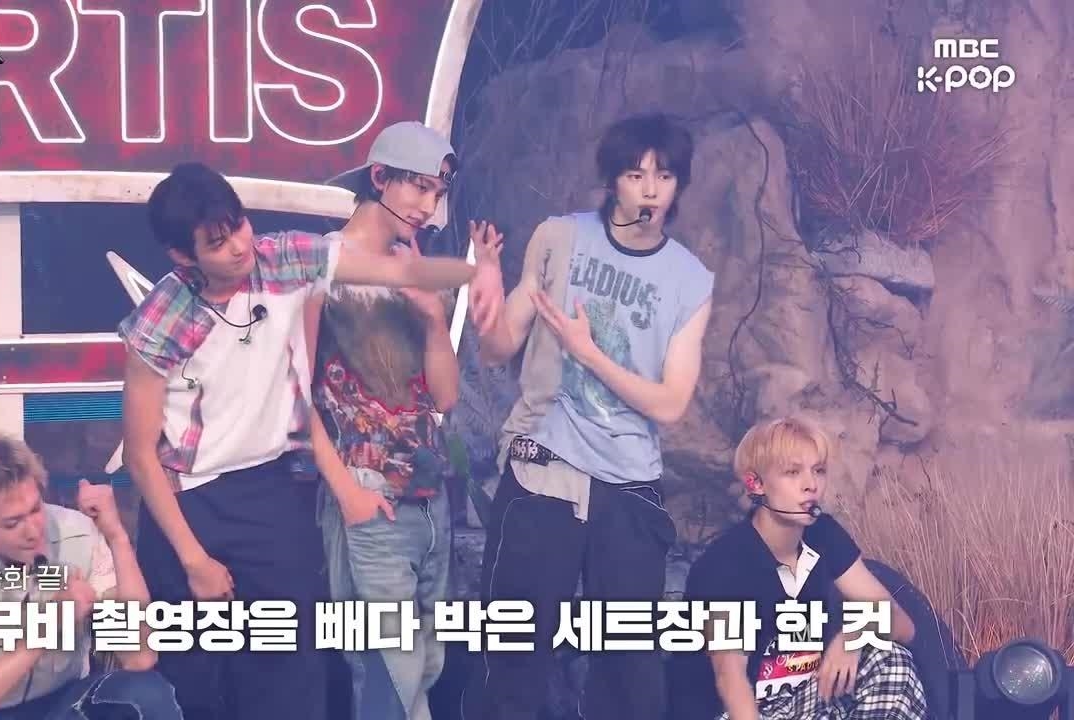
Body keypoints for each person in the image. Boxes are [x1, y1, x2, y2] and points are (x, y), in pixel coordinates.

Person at [118, 161, 503, 720]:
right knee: (194, 676)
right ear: (182, 256)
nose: (239, 247)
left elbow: (397, 272)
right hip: (187, 500)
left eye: (238, 225)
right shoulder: (163, 316)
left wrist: (480, 272)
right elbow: (139, 455)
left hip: (268, 488)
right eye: (216, 243)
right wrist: (193, 557)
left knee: (290, 665)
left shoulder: (285, 259)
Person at [460, 112, 715, 720]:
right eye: (635, 174)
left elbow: (671, 403)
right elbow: (499, 348)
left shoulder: (690, 279)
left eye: (664, 177)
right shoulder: (560, 237)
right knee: (513, 653)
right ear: (612, 179)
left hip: (628, 483)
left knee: (629, 671)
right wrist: (486, 289)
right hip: (543, 465)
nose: (650, 190)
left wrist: (589, 353)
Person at [307, 121, 502, 720]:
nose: (428, 206)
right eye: (418, 187)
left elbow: (444, 396)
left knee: (423, 668)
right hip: (367, 494)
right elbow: (294, 393)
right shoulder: (321, 264)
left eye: (437, 193)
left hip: (428, 496)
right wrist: (347, 494)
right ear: (379, 177)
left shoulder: (415, 268)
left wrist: (432, 318)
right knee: (386, 673)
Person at [0, 431, 180, 720]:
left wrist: (117, 537)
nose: (33, 531)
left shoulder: (76, 534)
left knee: (146, 693)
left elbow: (140, 658)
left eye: (35, 509)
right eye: (13, 523)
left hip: (57, 702)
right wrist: (49, 626)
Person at [670, 416, 929, 720]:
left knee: (889, 657)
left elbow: (902, 623)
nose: (811, 485)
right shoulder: (724, 564)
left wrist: (853, 636)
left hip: (801, 701)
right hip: (734, 712)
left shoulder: (823, 535)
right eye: (792, 472)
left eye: (818, 470)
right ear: (756, 484)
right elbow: (731, 680)